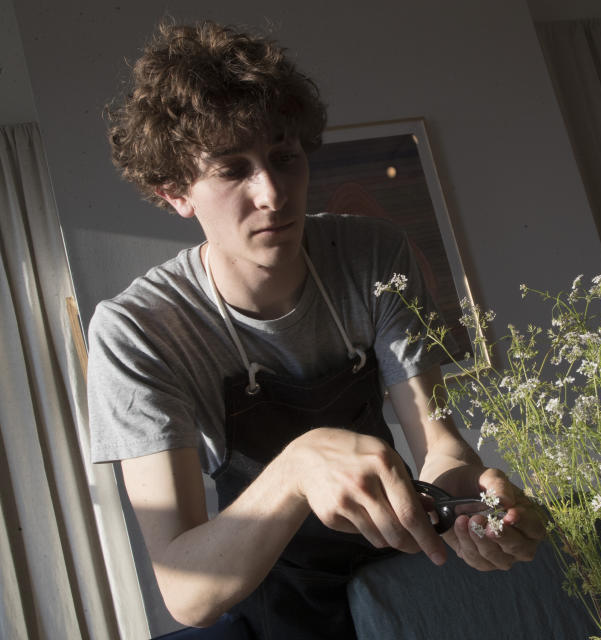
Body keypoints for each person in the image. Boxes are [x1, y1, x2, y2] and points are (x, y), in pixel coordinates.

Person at [88, 20, 544, 638]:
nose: (272, 192)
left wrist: (464, 496)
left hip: (399, 577)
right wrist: (298, 467)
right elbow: (185, 591)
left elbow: (437, 444)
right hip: (271, 603)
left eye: (284, 157)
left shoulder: (374, 254)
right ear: (175, 192)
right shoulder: (137, 332)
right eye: (231, 169)